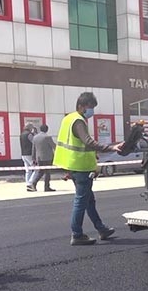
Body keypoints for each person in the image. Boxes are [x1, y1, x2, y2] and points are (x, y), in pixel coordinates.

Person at [53, 92, 123, 246]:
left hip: (74, 166)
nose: (92, 111)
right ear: (82, 106)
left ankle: (101, 228)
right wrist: (112, 148)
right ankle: (77, 234)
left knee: (89, 200)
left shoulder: (68, 118)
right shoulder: (78, 121)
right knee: (81, 201)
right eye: (90, 107)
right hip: (81, 168)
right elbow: (88, 142)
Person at [27, 124, 57, 192]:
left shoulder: (35, 137)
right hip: (47, 157)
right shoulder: (47, 137)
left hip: (39, 158)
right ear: (47, 129)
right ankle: (46, 187)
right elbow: (54, 146)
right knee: (47, 173)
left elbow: (33, 149)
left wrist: (33, 158)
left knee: (41, 172)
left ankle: (33, 184)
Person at [20, 123, 36, 190]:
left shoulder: (21, 134)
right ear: (30, 128)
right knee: (36, 169)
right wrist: (34, 134)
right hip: (29, 154)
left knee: (27, 170)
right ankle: (30, 183)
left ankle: (27, 183)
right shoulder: (29, 134)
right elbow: (34, 142)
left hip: (23, 154)